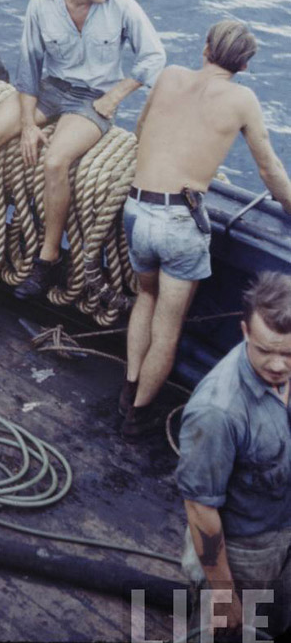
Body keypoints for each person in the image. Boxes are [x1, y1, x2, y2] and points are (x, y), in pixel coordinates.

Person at [0, 0, 166, 298]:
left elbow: (154, 56)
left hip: (92, 99)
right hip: (50, 88)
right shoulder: (41, 1)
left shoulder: (122, 6)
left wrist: (115, 95)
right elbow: (29, 64)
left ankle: (48, 258)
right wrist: (28, 124)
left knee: (55, 162)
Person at [120, 20, 291, 440]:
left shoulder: (170, 75)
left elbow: (141, 130)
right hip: (179, 224)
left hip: (137, 209)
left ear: (206, 49)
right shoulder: (242, 99)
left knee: (145, 296)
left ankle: (128, 388)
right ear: (244, 65)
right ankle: (138, 415)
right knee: (168, 325)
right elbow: (269, 169)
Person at [176, 271, 291, 642]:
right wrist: (224, 594)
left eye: (288, 354)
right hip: (244, 552)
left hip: (284, 533)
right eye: (265, 351)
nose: (278, 365)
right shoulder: (216, 412)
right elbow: (200, 509)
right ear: (244, 331)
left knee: (272, 623)